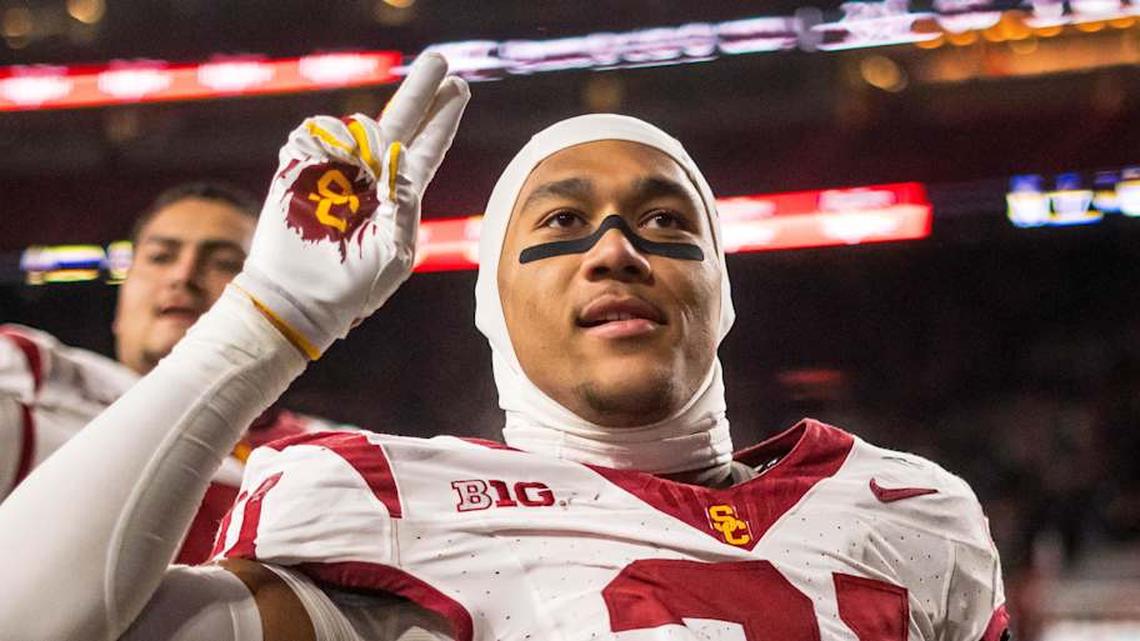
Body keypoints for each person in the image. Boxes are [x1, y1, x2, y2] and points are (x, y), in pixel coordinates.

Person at [0, 54, 1008, 641]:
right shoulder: (386, 501)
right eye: (562, 229)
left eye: (665, 226)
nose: (615, 250)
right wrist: (264, 315)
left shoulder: (915, 509)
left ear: (722, 291)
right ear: (495, 306)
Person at [0, 182, 335, 564]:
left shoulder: (328, 455)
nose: (184, 275)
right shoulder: (32, 370)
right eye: (160, 257)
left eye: (225, 263)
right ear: (121, 303)